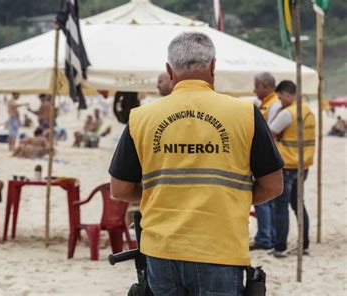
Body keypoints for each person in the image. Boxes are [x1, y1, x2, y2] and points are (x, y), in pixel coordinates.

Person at [109, 32, 284, 295]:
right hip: (221, 247)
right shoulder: (245, 114)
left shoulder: (140, 117)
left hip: (161, 250)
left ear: (169, 70)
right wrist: (230, 198)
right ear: (214, 66)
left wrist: (161, 195)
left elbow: (120, 189)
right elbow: (273, 186)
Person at [269, 80, 315, 258]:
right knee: (298, 204)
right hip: (303, 164)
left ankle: (280, 246)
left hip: (287, 164)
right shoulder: (308, 111)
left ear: (287, 94)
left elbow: (270, 132)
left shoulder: (288, 113)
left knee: (281, 207)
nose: (280, 101)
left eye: (280, 98)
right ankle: (304, 245)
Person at [249, 71, 281, 251]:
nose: (254, 90)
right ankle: (268, 235)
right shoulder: (267, 104)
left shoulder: (274, 105)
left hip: (269, 158)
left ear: (265, 86)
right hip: (270, 157)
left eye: (256, 86)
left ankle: (265, 236)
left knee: (265, 202)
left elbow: (269, 133)